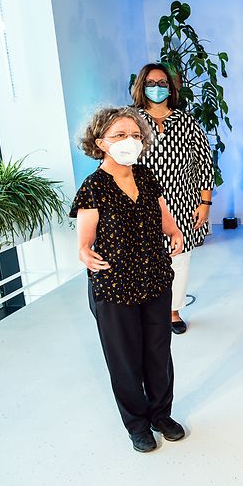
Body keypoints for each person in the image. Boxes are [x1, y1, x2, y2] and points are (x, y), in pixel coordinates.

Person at [71, 106, 185, 453]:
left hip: (153, 278)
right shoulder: (93, 187)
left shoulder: (146, 176)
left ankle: (161, 415)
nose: (129, 141)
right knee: (124, 358)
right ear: (100, 142)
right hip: (114, 286)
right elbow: (84, 242)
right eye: (119, 135)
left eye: (135, 135)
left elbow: (161, 215)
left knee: (158, 351)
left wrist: (175, 231)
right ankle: (137, 424)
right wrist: (84, 253)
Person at [132, 63, 214, 334]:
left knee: (179, 260)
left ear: (171, 87)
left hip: (182, 203)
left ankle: (173, 312)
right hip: (142, 204)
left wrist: (205, 203)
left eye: (162, 83)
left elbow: (204, 163)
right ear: (142, 86)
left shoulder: (186, 121)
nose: (157, 88)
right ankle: (146, 312)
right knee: (144, 259)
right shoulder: (131, 121)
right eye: (151, 83)